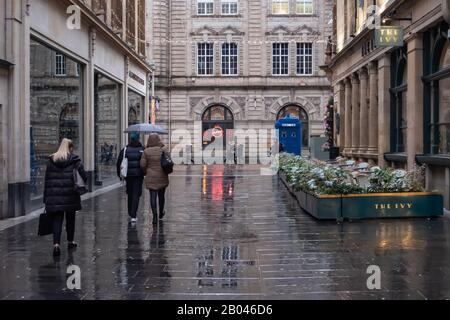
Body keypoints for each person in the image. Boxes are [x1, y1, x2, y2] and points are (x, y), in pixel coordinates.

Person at [44, 138, 87, 257]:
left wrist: (45, 198)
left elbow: (47, 180)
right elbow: (84, 176)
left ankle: (56, 245)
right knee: (70, 219)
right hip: (70, 194)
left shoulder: (52, 160)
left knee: (57, 219)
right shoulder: (75, 160)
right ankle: (70, 241)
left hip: (55, 195)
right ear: (71, 148)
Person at [140, 134, 170, 226]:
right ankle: (161, 213)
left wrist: (146, 172)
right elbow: (169, 161)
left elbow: (142, 165)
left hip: (151, 176)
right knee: (161, 196)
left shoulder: (146, 151)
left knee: (152, 197)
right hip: (162, 176)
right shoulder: (163, 150)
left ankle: (155, 216)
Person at [116, 132, 145, 223]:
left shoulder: (125, 149)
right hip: (138, 176)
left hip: (128, 175)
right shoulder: (142, 149)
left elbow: (119, 162)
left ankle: (130, 211)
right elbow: (145, 163)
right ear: (138, 139)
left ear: (131, 139)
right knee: (136, 194)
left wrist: (119, 175)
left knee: (130, 193)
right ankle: (133, 214)